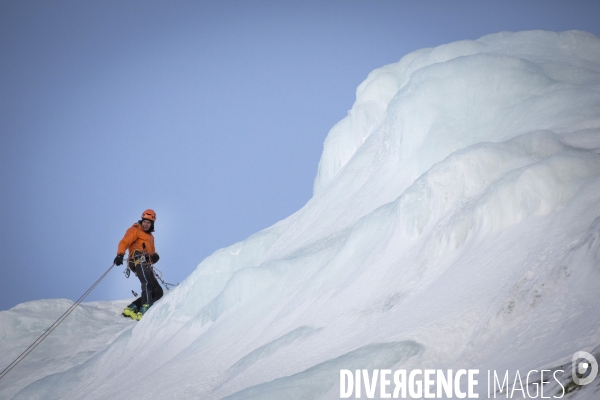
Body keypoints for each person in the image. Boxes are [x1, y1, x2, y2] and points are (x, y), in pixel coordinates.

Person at [114, 209, 163, 320]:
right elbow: (124, 242)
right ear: (141, 220)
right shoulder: (134, 230)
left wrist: (154, 258)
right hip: (136, 259)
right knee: (147, 283)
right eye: (144, 221)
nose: (145, 224)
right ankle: (145, 308)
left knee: (158, 292)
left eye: (148, 222)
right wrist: (120, 254)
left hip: (145, 263)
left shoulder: (150, 237)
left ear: (152, 224)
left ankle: (132, 308)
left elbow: (151, 255)